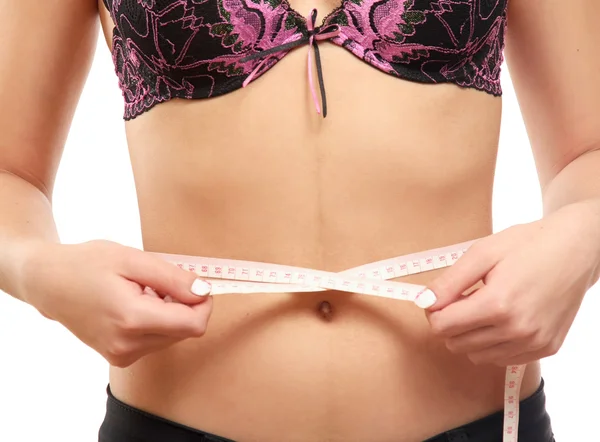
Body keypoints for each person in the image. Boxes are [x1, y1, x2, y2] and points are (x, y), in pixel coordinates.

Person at [1, 0, 599, 441]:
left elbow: (588, 156)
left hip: (474, 423)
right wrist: (39, 271)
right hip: (174, 422)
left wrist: (579, 239)